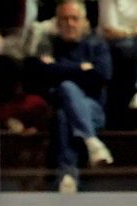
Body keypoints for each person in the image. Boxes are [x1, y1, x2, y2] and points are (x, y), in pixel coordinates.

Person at [28, 0, 114, 192]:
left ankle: (67, 173)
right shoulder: (50, 44)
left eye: (74, 18)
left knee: (66, 87)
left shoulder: (96, 44)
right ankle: (90, 143)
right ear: (57, 23)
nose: (70, 23)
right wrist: (81, 69)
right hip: (61, 110)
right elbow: (40, 72)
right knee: (63, 113)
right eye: (64, 19)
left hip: (94, 111)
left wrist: (59, 69)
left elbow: (103, 75)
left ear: (84, 22)